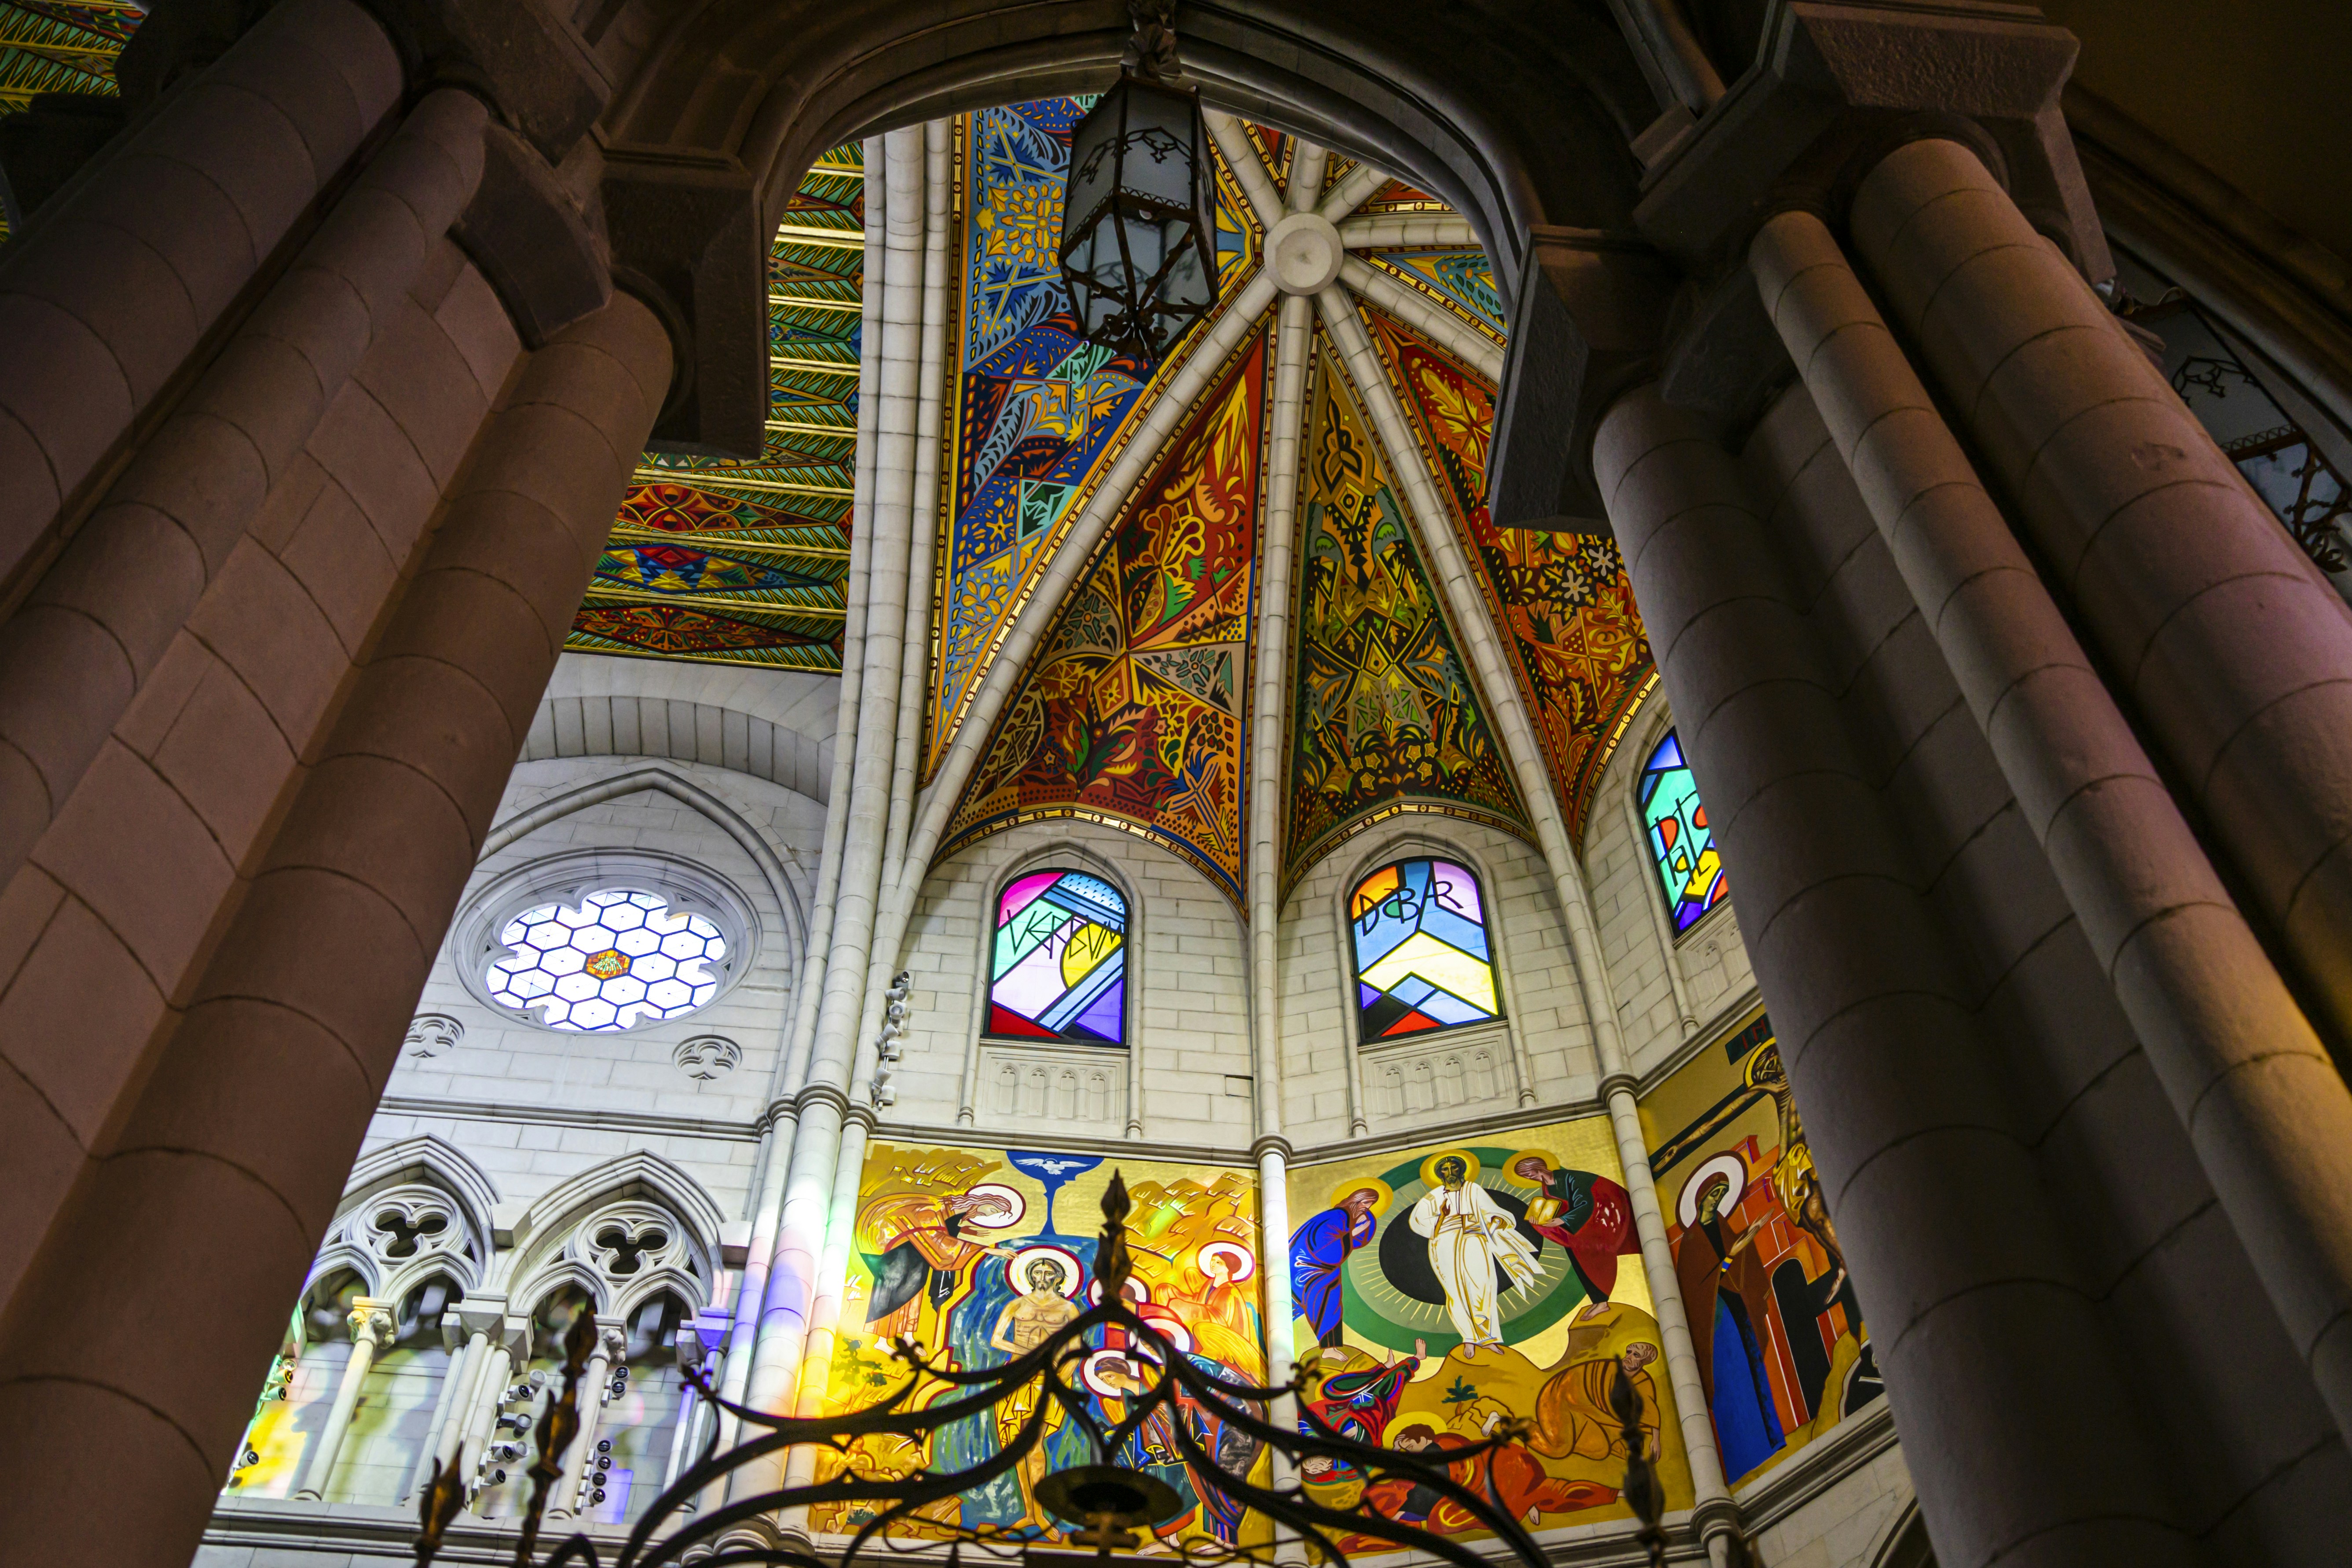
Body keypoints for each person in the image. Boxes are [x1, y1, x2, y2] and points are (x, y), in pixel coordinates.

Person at [1671, 1173, 1784, 1478]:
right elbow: (1698, 1287)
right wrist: (1730, 1256)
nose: (1716, 1200)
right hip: (1716, 1324)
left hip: (1737, 1307)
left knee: (1755, 1371)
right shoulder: (1692, 1241)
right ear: (1700, 1200)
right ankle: (1745, 1456)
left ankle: (1773, 1439)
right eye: (1713, 1195)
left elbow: (1735, 1259)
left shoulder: (1721, 1225)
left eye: (1721, 1195)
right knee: (1734, 1380)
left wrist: (1747, 1239)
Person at [1407, 1155, 1539, 1346]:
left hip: (1474, 1241)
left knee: (1483, 1286)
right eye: (1445, 1170)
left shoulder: (1474, 1190)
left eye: (1454, 1168)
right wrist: (1442, 1218)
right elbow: (1417, 1222)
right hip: (1445, 1244)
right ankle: (1469, 1337)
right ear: (1440, 1174)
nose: (1451, 1173)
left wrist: (1493, 1225)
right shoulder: (1433, 1197)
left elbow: (1495, 1213)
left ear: (1461, 1170)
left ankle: (1488, 1338)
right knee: (1455, 1290)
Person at [858, 1187, 1016, 1337]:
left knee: (915, 1293)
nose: (989, 1216)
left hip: (920, 1257)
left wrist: (964, 1231)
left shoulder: (954, 1211)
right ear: (983, 1201)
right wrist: (990, 1250)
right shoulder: (934, 1208)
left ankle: (908, 1336)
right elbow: (936, 1238)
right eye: (993, 1210)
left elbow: (944, 1229)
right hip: (902, 1256)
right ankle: (882, 1339)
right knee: (895, 1290)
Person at [1507, 1154, 1639, 1304]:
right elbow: (1556, 1207)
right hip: (1576, 1227)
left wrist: (1562, 1219)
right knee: (1577, 1256)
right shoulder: (1546, 1185)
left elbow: (1585, 1203)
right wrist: (1538, 1219)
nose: (1529, 1178)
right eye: (1525, 1176)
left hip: (1601, 1213)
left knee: (1593, 1255)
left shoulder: (1570, 1177)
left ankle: (1601, 1300)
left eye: (1528, 1174)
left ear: (1538, 1169)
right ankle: (1599, 1301)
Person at [1289, 1185, 1381, 1348]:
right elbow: (1324, 1248)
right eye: (1365, 1202)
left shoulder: (1348, 1218)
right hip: (1306, 1266)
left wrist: (1363, 1225)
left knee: (1326, 1294)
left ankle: (1330, 1347)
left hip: (1322, 1268)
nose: (1367, 1208)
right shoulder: (1337, 1216)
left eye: (1371, 1205)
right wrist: (1354, 1232)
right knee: (1328, 1293)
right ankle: (1329, 1348)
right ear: (1356, 1200)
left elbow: (1357, 1241)